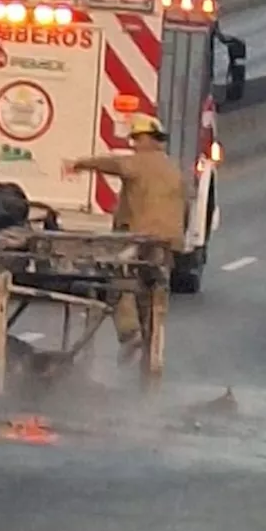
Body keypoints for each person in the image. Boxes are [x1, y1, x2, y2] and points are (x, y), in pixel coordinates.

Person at [65, 114, 185, 361]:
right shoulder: (173, 169)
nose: (134, 144)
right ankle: (150, 343)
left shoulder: (140, 163)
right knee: (151, 291)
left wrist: (78, 164)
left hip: (142, 238)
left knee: (119, 281)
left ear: (147, 140)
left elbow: (115, 165)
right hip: (167, 242)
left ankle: (130, 335)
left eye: (137, 138)